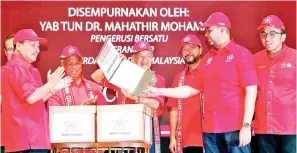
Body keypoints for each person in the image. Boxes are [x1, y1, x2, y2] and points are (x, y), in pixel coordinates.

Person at [144, 12, 258, 153]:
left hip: (234, 128)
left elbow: (251, 91)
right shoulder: (208, 59)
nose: (206, 34)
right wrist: (157, 91)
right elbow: (189, 90)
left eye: (209, 30)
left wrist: (246, 126)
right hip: (210, 130)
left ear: (222, 29)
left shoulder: (241, 54)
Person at [1, 29, 72, 153]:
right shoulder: (17, 66)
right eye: (33, 45)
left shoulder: (29, 69)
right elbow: (32, 97)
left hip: (33, 140)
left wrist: (53, 89)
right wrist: (50, 84)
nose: (37, 50)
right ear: (18, 45)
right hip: (27, 141)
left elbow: (35, 102)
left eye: (38, 46)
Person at [91, 41, 166, 153]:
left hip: (147, 127)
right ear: (133, 58)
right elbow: (95, 76)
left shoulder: (158, 78)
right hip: (125, 126)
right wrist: (115, 63)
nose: (145, 60)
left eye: (148, 56)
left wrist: (137, 98)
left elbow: (156, 104)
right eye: (141, 56)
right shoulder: (123, 75)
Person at [253, 15, 296, 153]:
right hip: (263, 129)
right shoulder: (254, 60)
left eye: (272, 34)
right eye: (263, 34)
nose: (267, 38)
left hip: (291, 129)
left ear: (283, 37)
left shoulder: (295, 58)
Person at [167, 35, 204, 153]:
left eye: (192, 47)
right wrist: (172, 137)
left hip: (209, 138)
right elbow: (174, 108)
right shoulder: (178, 78)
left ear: (201, 49)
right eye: (184, 49)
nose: (188, 52)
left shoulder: (211, 72)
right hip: (185, 140)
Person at [1, 33, 15, 153]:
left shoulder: (33, 75)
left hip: (28, 142)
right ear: (5, 52)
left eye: (16, 48)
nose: (14, 52)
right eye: (11, 49)